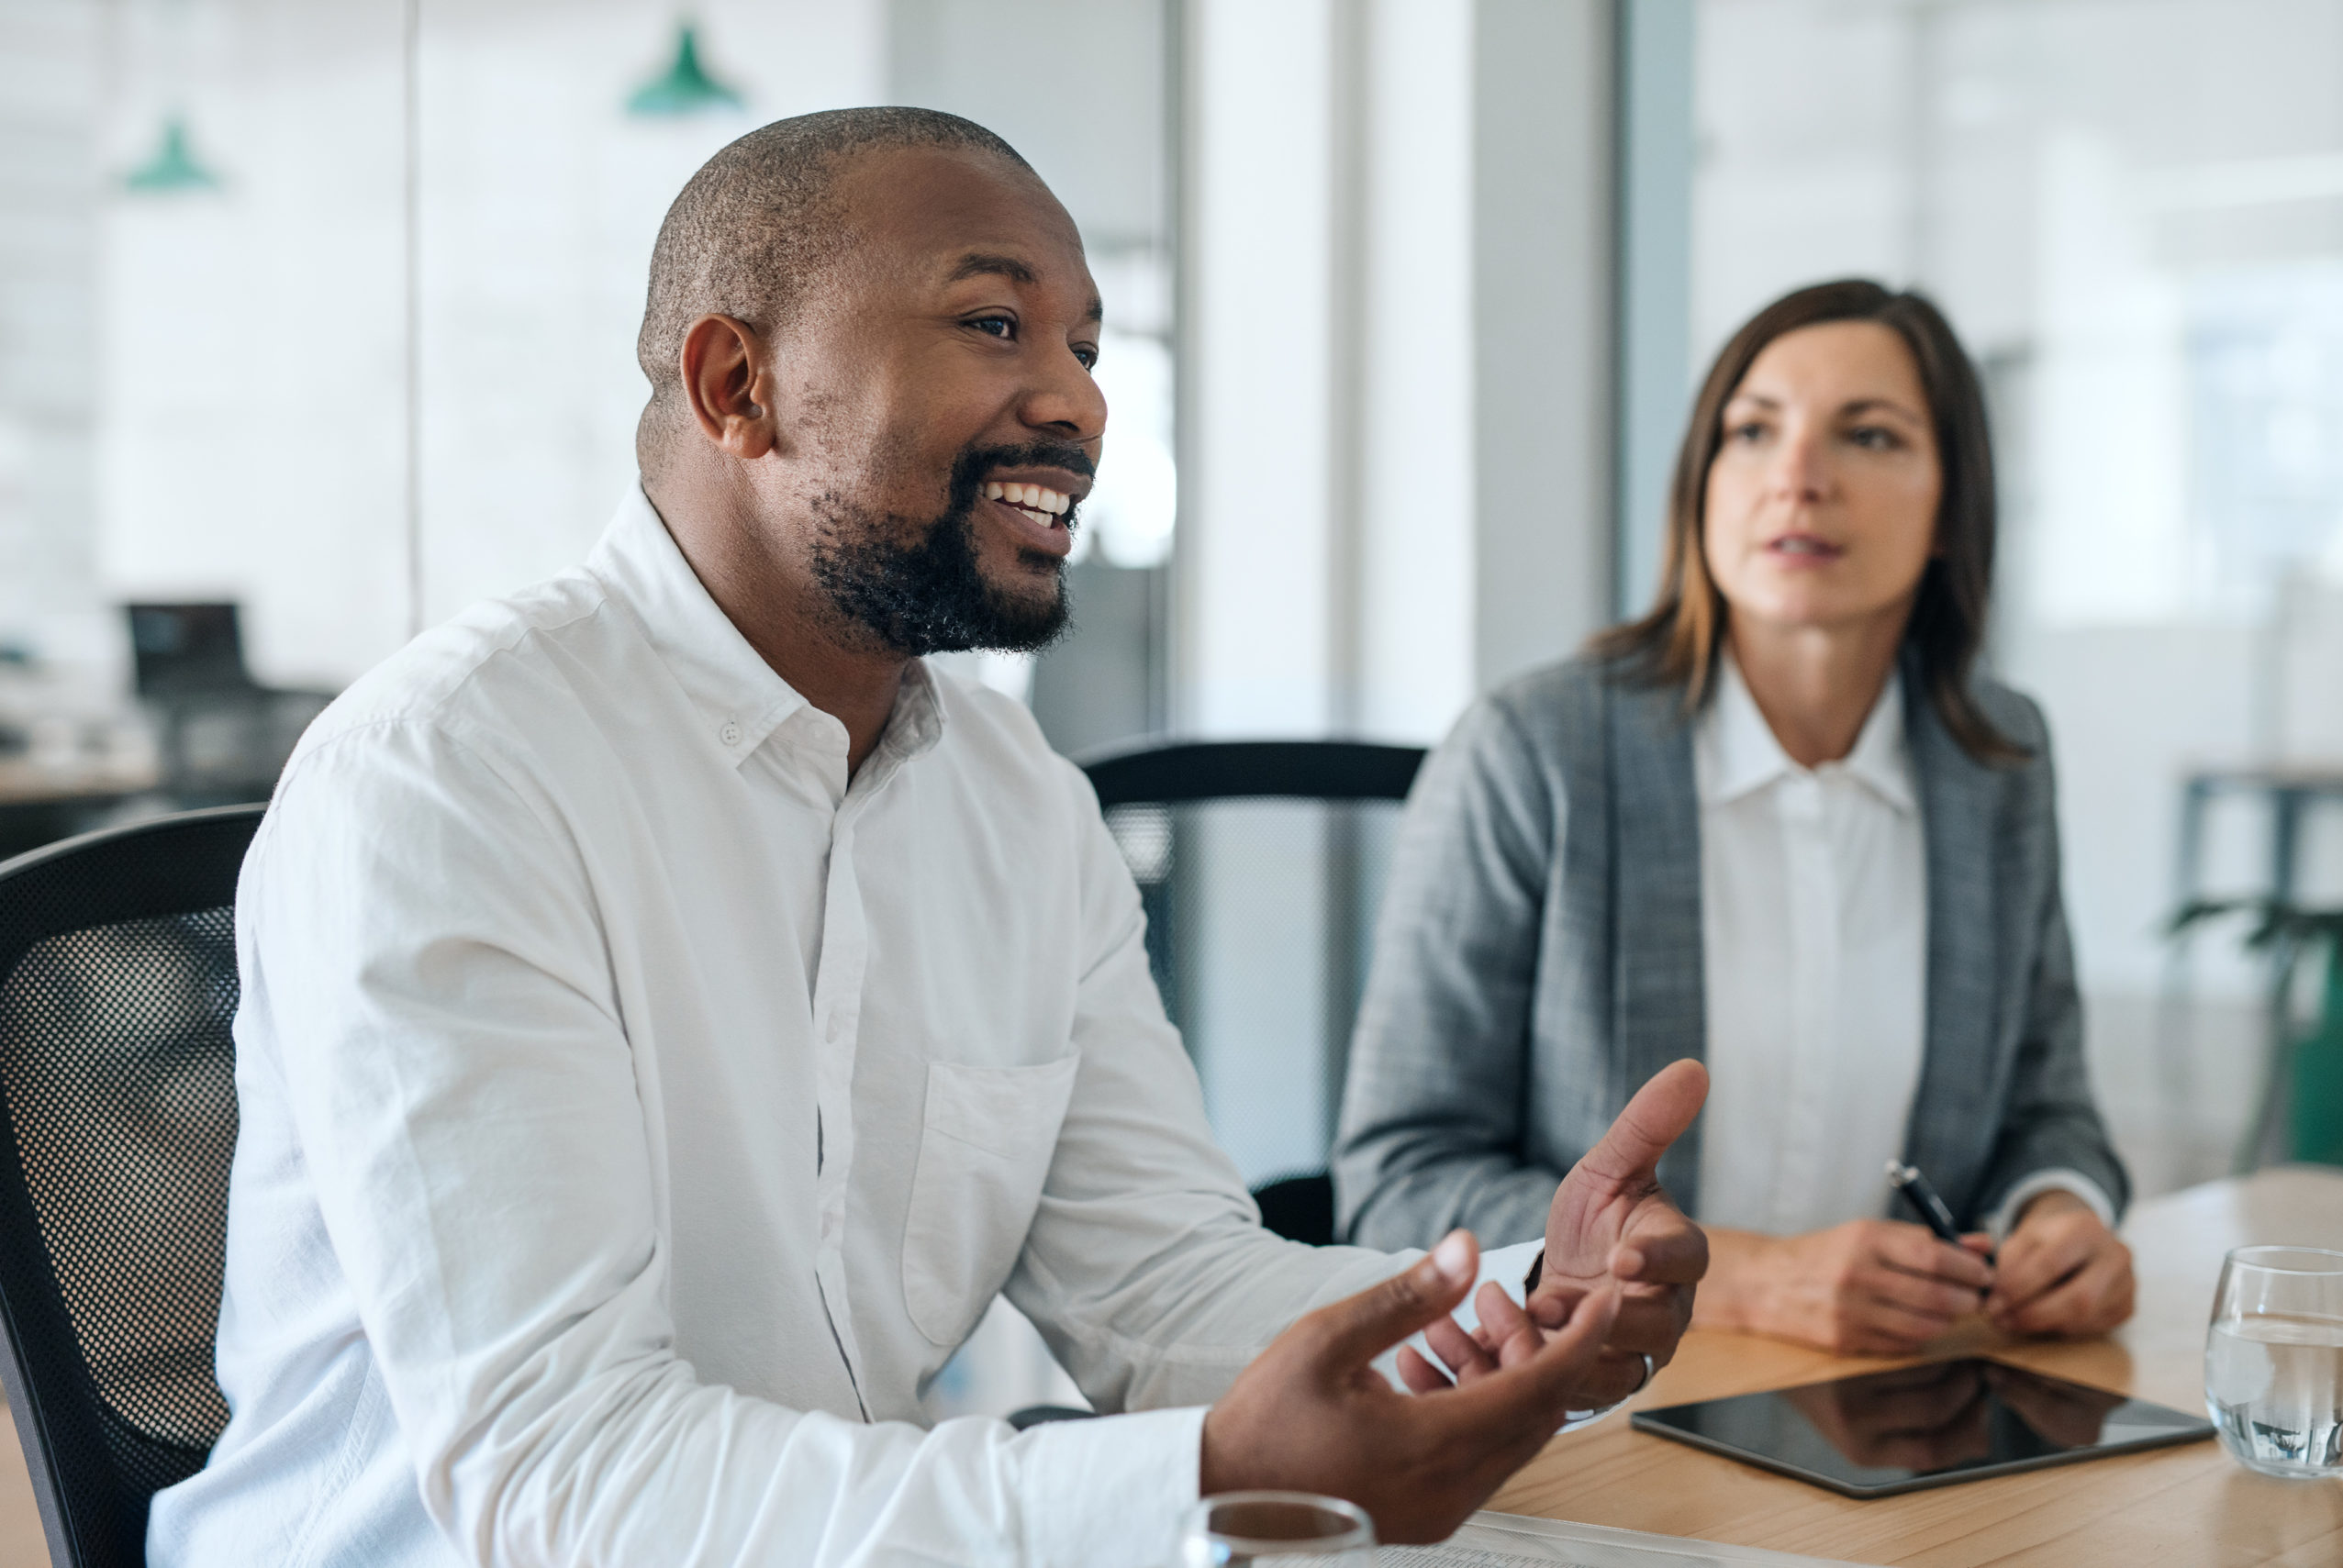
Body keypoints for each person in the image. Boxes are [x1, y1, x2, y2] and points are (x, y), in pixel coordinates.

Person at [145, 109, 1713, 1568]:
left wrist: (1528, 1293)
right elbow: (569, 1480)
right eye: (994, 323)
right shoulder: (454, 774)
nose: (1079, 398)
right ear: (734, 385)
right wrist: (1200, 1476)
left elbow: (1160, 1287)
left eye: (1088, 346)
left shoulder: (1020, 804)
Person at [1333, 279, 2135, 1360]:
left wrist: (2060, 1210)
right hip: (1589, 1404)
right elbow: (1398, 1174)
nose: (1798, 477)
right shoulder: (1535, 749)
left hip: (1893, 1403)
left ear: (1952, 506)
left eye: (1867, 434)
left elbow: (2049, 1107)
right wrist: (1746, 1275)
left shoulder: (1997, 758)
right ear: (1701, 483)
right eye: (1752, 432)